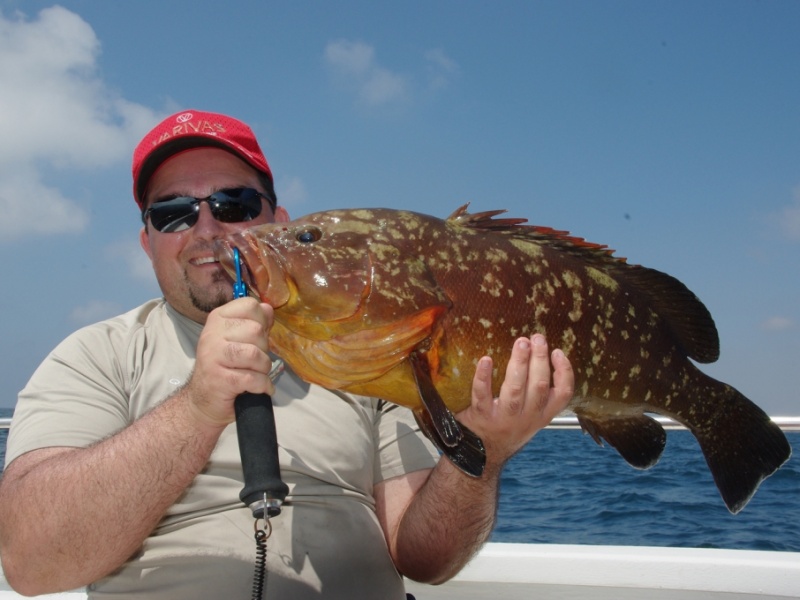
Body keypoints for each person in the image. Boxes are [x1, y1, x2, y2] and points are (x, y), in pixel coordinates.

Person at [0, 110, 574, 599]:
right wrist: (198, 406)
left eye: (234, 203)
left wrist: (482, 456)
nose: (208, 228)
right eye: (172, 212)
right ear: (148, 240)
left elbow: (425, 558)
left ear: (278, 222)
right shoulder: (96, 355)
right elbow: (30, 562)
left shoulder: (376, 351)